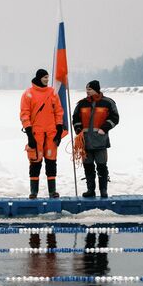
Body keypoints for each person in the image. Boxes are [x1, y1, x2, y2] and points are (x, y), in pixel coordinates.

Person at [20, 68, 66, 198]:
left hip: (51, 133)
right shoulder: (28, 94)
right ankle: (33, 192)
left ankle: (52, 191)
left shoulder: (52, 93)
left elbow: (59, 112)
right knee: (35, 162)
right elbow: (24, 114)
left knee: (51, 162)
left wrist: (59, 132)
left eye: (48, 77)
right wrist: (29, 135)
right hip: (35, 134)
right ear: (39, 77)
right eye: (45, 77)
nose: (47, 79)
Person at [72, 80, 120, 198]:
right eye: (86, 89)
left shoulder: (108, 103)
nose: (87, 92)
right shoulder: (81, 104)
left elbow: (115, 118)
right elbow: (76, 118)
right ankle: (90, 190)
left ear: (96, 90)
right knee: (88, 167)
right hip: (85, 142)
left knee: (102, 166)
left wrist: (104, 128)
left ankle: (103, 190)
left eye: (90, 89)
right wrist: (78, 130)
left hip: (101, 141)